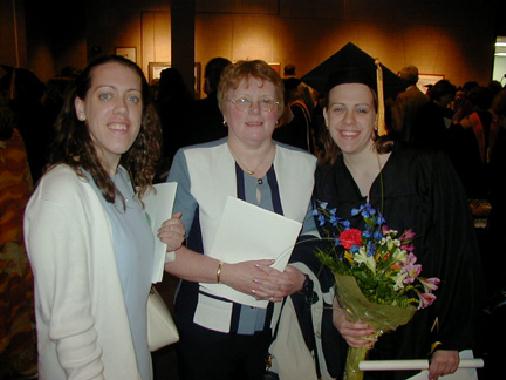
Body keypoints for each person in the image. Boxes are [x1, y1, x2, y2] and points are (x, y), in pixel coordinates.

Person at [286, 43, 481, 380]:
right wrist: (337, 314)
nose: (349, 121)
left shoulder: (427, 169)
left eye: (361, 110)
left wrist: (451, 339)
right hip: (357, 346)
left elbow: (459, 252)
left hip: (425, 348)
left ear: (378, 115)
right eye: (338, 109)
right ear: (325, 115)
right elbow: (324, 261)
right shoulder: (323, 181)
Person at [24, 55, 185, 380]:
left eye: (133, 97)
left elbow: (117, 265)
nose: (122, 109)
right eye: (106, 95)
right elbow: (70, 325)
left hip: (132, 359)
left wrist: (163, 244)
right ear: (81, 108)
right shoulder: (63, 192)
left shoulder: (121, 179)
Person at [165, 59, 316, 380]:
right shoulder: (192, 161)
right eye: (242, 100)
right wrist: (227, 274)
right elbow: (167, 253)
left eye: (266, 101)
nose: (255, 110)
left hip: (279, 327)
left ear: (280, 112)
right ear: (223, 110)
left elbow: (313, 240)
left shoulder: (305, 166)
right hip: (206, 328)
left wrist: (298, 277)